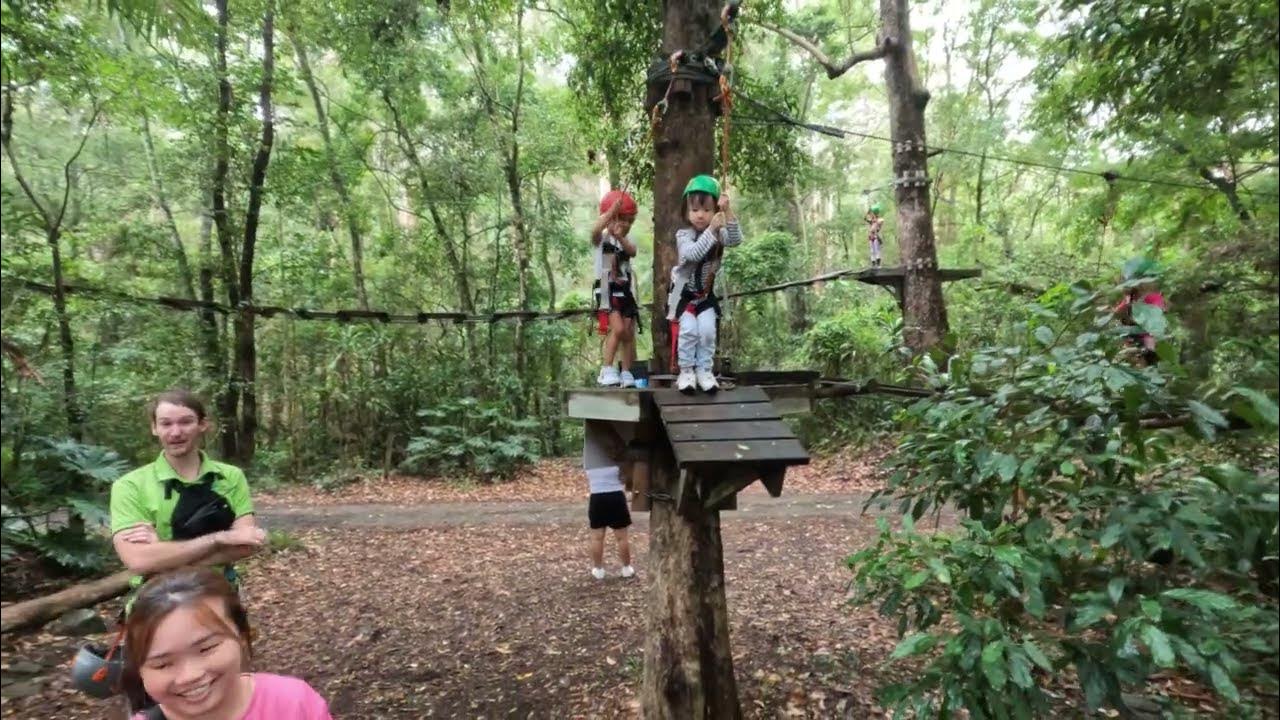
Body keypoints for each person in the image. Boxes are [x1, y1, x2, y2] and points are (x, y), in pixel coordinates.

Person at [110, 390, 265, 609]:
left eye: (186, 422)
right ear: (154, 428)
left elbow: (245, 546)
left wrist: (162, 555)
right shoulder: (130, 486)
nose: (175, 432)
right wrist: (219, 539)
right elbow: (138, 561)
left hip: (220, 599)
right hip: (156, 603)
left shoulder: (230, 477)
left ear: (203, 424)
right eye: (166, 424)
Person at [122, 567, 332, 720]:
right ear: (140, 670)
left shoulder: (294, 704)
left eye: (206, 648)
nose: (190, 676)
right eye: (163, 664)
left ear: (241, 635)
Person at [667, 174, 742, 394]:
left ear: (714, 211)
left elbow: (736, 239)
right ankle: (686, 371)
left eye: (707, 210)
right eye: (695, 210)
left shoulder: (720, 234)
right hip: (684, 295)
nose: (700, 215)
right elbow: (693, 254)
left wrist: (727, 212)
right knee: (689, 331)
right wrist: (711, 231)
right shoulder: (684, 235)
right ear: (687, 211)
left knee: (708, 331)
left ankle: (704, 371)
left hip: (705, 296)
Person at [592, 190, 641, 388]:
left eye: (629, 220)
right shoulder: (601, 240)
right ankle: (607, 369)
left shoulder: (627, 240)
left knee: (628, 331)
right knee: (618, 329)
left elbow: (632, 252)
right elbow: (595, 231)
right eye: (621, 219)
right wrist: (610, 213)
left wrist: (621, 237)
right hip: (606, 287)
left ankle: (627, 372)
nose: (625, 224)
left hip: (625, 289)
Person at [582, 421, 635, 580]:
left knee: (597, 537)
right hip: (616, 497)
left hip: (597, 497)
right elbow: (627, 477)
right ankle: (626, 568)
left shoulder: (591, 461)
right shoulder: (620, 460)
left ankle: (598, 570)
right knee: (622, 537)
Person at [1115, 258, 1167, 367]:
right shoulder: (1130, 298)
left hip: (1148, 332)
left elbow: (1157, 313)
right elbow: (1119, 311)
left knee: (1149, 337)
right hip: (1131, 334)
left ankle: (1148, 354)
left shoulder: (1153, 297)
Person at [864, 203, 885, 268]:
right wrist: (868, 212)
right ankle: (873, 264)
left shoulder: (880, 220)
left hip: (876, 236)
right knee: (872, 251)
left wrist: (875, 216)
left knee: (877, 250)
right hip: (871, 237)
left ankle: (878, 264)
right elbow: (865, 218)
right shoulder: (871, 221)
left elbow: (879, 222)